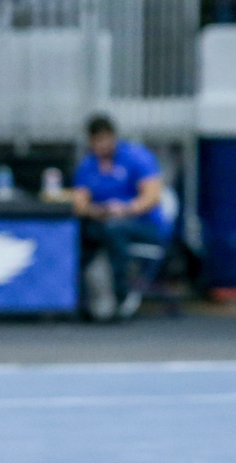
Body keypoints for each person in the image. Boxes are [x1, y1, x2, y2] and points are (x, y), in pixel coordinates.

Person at [73, 116, 170, 319]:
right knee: (82, 231)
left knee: (113, 228)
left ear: (113, 137)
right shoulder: (88, 164)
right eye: (96, 142)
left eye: (105, 140)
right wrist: (97, 210)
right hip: (104, 223)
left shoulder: (137, 157)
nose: (101, 146)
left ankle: (121, 294)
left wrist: (124, 209)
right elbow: (80, 204)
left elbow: (152, 197)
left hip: (144, 225)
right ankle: (81, 299)